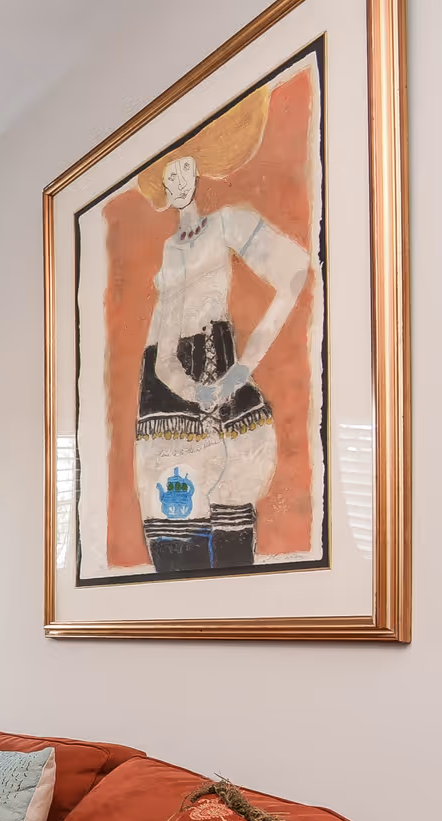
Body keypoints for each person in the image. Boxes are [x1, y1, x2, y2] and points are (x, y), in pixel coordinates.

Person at [132, 86, 311, 574]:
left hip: (225, 380)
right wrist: (187, 387)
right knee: (175, 547)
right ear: (163, 189)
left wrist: (242, 369)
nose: (180, 180)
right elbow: (164, 341)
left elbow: (294, 271)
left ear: (198, 168)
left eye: (184, 167)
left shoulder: (227, 224)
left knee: (233, 541)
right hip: (167, 395)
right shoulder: (169, 255)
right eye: (169, 176)